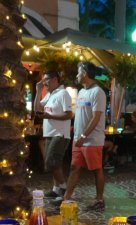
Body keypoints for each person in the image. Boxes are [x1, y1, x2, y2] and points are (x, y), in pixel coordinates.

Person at [59, 61, 107, 210]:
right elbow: (81, 114)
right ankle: (66, 198)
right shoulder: (81, 92)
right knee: (74, 167)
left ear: (85, 73)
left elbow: (96, 117)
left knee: (96, 169)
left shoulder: (98, 92)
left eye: (78, 72)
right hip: (78, 138)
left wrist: (84, 136)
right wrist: (75, 129)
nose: (77, 75)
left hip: (91, 140)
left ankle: (99, 200)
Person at [34, 70, 73, 201]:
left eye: (46, 79)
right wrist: (38, 91)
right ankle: (56, 189)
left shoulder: (63, 93)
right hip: (49, 133)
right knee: (54, 163)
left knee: (51, 162)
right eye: (43, 80)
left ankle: (63, 188)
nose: (44, 82)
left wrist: (49, 116)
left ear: (55, 79)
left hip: (60, 134)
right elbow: (37, 109)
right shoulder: (50, 94)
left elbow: (69, 114)